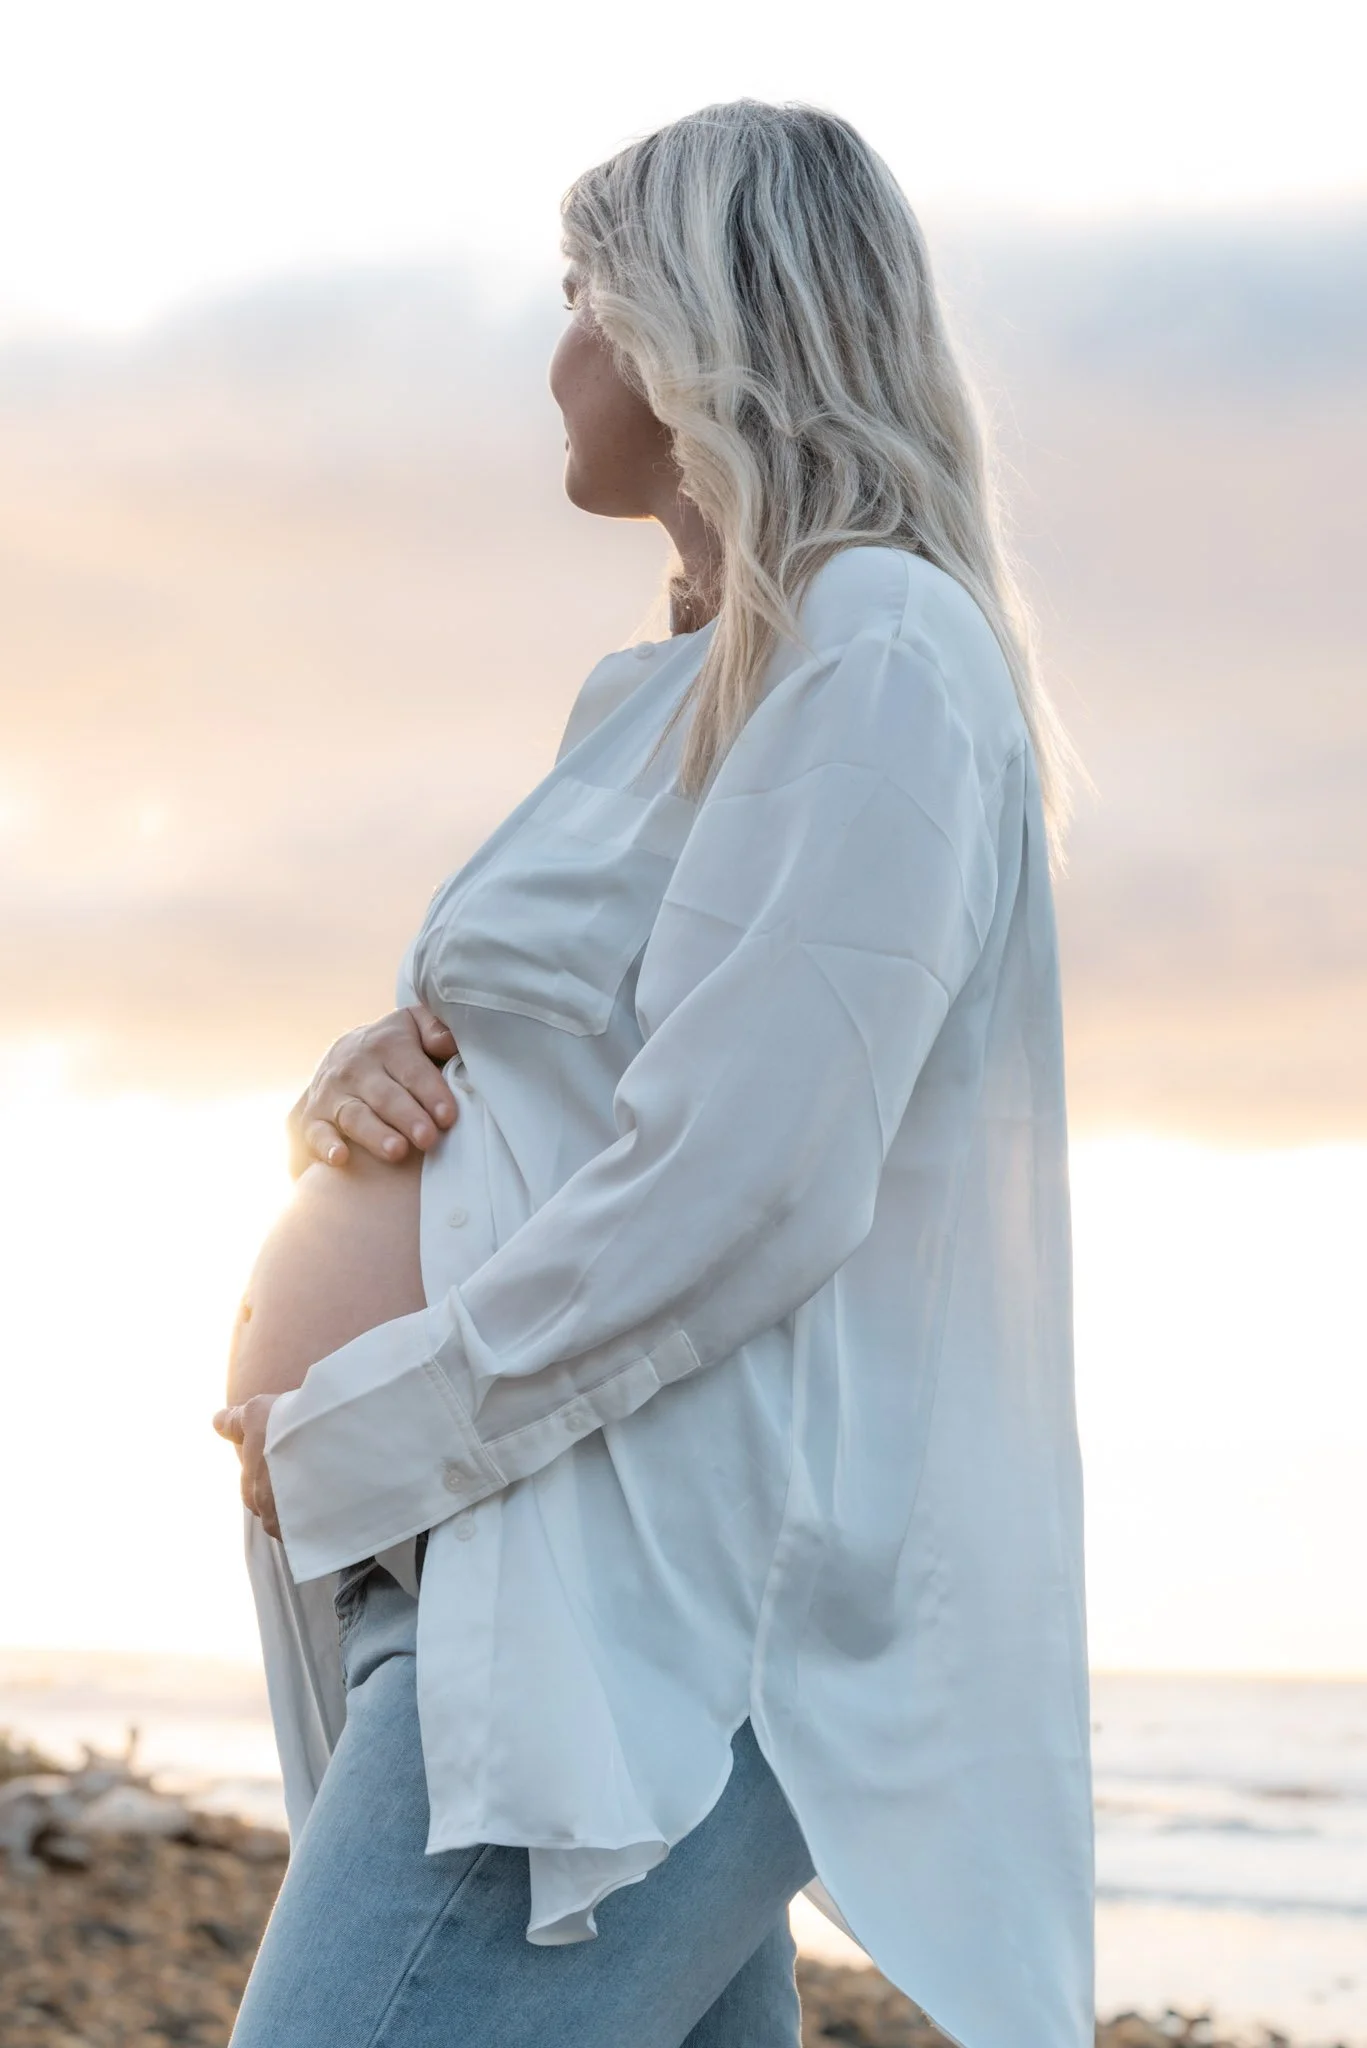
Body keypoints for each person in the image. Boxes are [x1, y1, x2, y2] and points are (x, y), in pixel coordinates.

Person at [214, 98, 1092, 2048]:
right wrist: (358, 1082)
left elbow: (746, 1181)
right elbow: (566, 1073)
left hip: (641, 1614)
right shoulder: (667, 695)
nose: (553, 358)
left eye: (581, 301)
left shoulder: (876, 653)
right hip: (524, 1559)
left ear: (701, 324)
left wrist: (361, 1417)